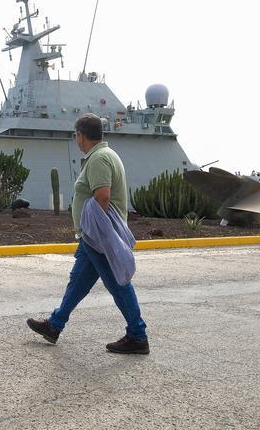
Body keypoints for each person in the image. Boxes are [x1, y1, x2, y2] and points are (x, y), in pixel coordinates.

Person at [26, 113, 149, 354]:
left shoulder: (99, 159)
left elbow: (102, 195)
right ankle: (55, 324)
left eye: (76, 136)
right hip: (92, 236)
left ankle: (137, 335)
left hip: (98, 236)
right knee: (78, 282)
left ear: (81, 135)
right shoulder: (105, 155)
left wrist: (96, 233)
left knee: (118, 284)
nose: (76, 140)